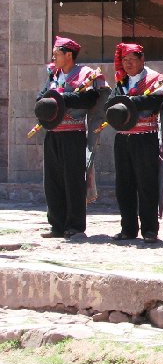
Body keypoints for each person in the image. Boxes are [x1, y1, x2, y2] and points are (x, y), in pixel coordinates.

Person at [105, 43, 163, 243]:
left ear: (142, 59)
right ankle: (128, 228)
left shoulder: (155, 81)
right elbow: (110, 105)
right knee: (124, 184)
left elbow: (154, 102)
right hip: (123, 138)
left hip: (145, 137)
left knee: (146, 183)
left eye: (132, 60)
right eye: (125, 60)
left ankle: (149, 229)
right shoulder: (121, 82)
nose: (128, 64)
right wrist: (127, 101)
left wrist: (129, 102)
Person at [35, 36, 108, 239]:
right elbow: (41, 97)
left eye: (56, 54)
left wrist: (61, 97)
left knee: (73, 180)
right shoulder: (53, 74)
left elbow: (89, 98)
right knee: (52, 180)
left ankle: (75, 225)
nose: (53, 57)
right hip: (53, 134)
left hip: (73, 134)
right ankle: (57, 225)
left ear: (69, 55)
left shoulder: (85, 74)